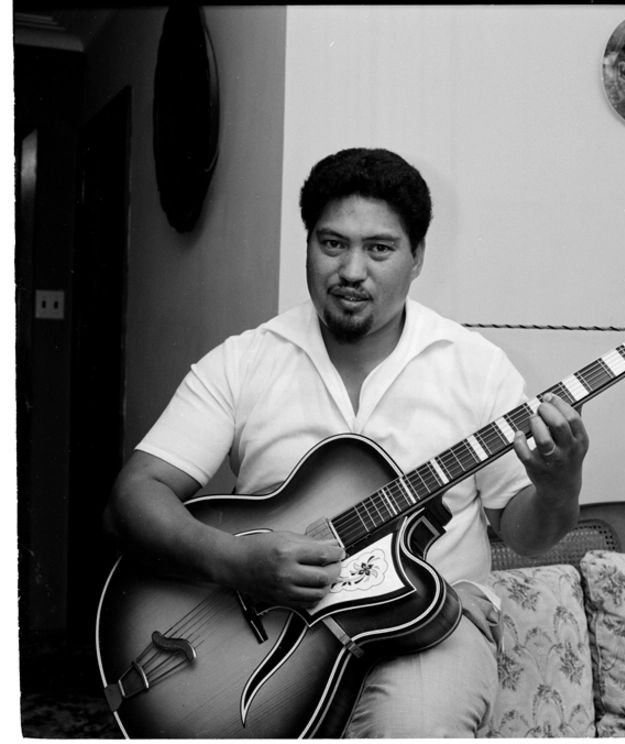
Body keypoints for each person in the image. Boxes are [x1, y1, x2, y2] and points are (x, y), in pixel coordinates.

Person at [103, 147, 589, 737]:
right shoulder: (244, 360)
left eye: (379, 248)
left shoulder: (478, 369)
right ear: (307, 245)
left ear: (417, 259)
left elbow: (526, 532)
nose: (351, 270)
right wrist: (234, 563)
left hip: (430, 623)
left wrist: (560, 483)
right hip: (273, 628)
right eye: (332, 243)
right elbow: (134, 496)